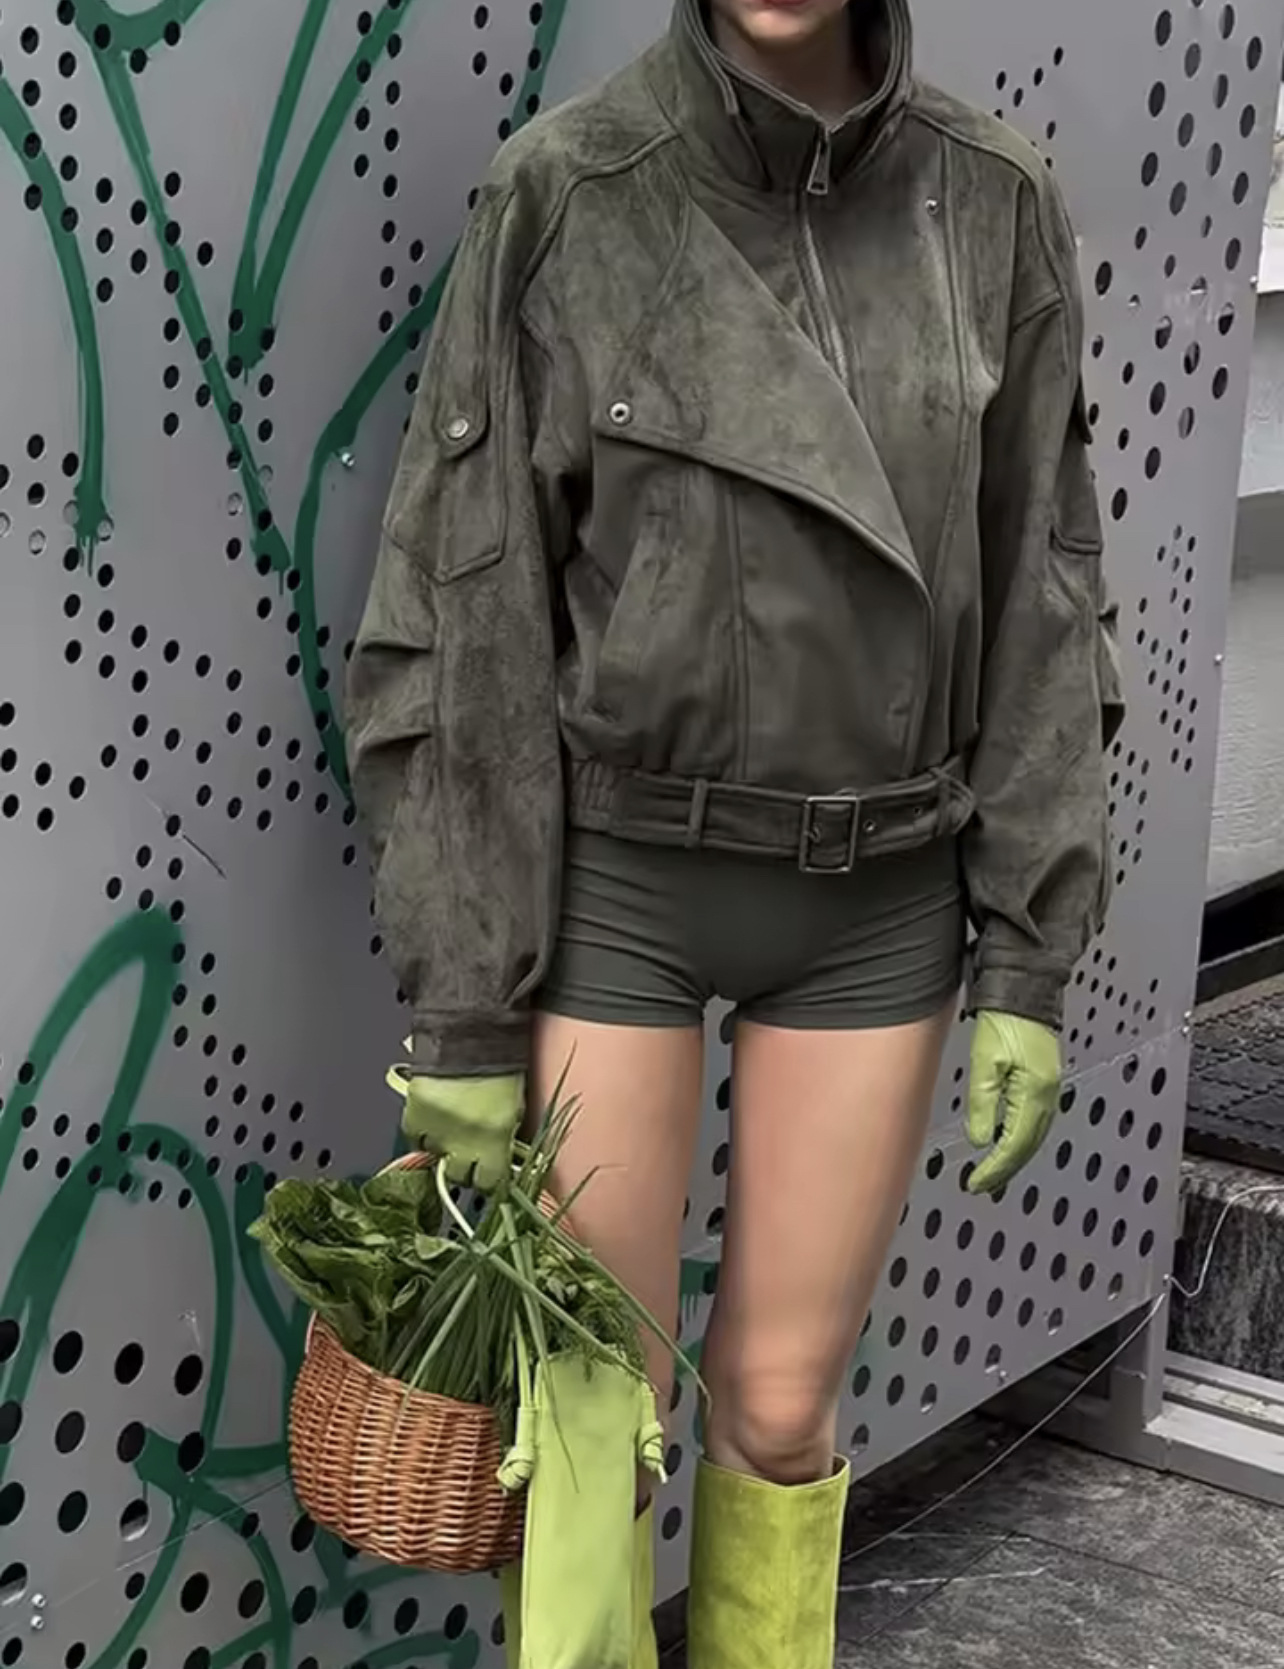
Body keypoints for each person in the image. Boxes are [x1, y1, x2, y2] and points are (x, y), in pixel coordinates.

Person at [345, 0, 1125, 1663]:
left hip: (883, 893)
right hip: (621, 882)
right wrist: (465, 1001)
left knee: (777, 1411)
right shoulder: (570, 189)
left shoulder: (994, 199)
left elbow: (1048, 588)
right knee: (592, 1416)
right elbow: (466, 605)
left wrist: (1029, 954)